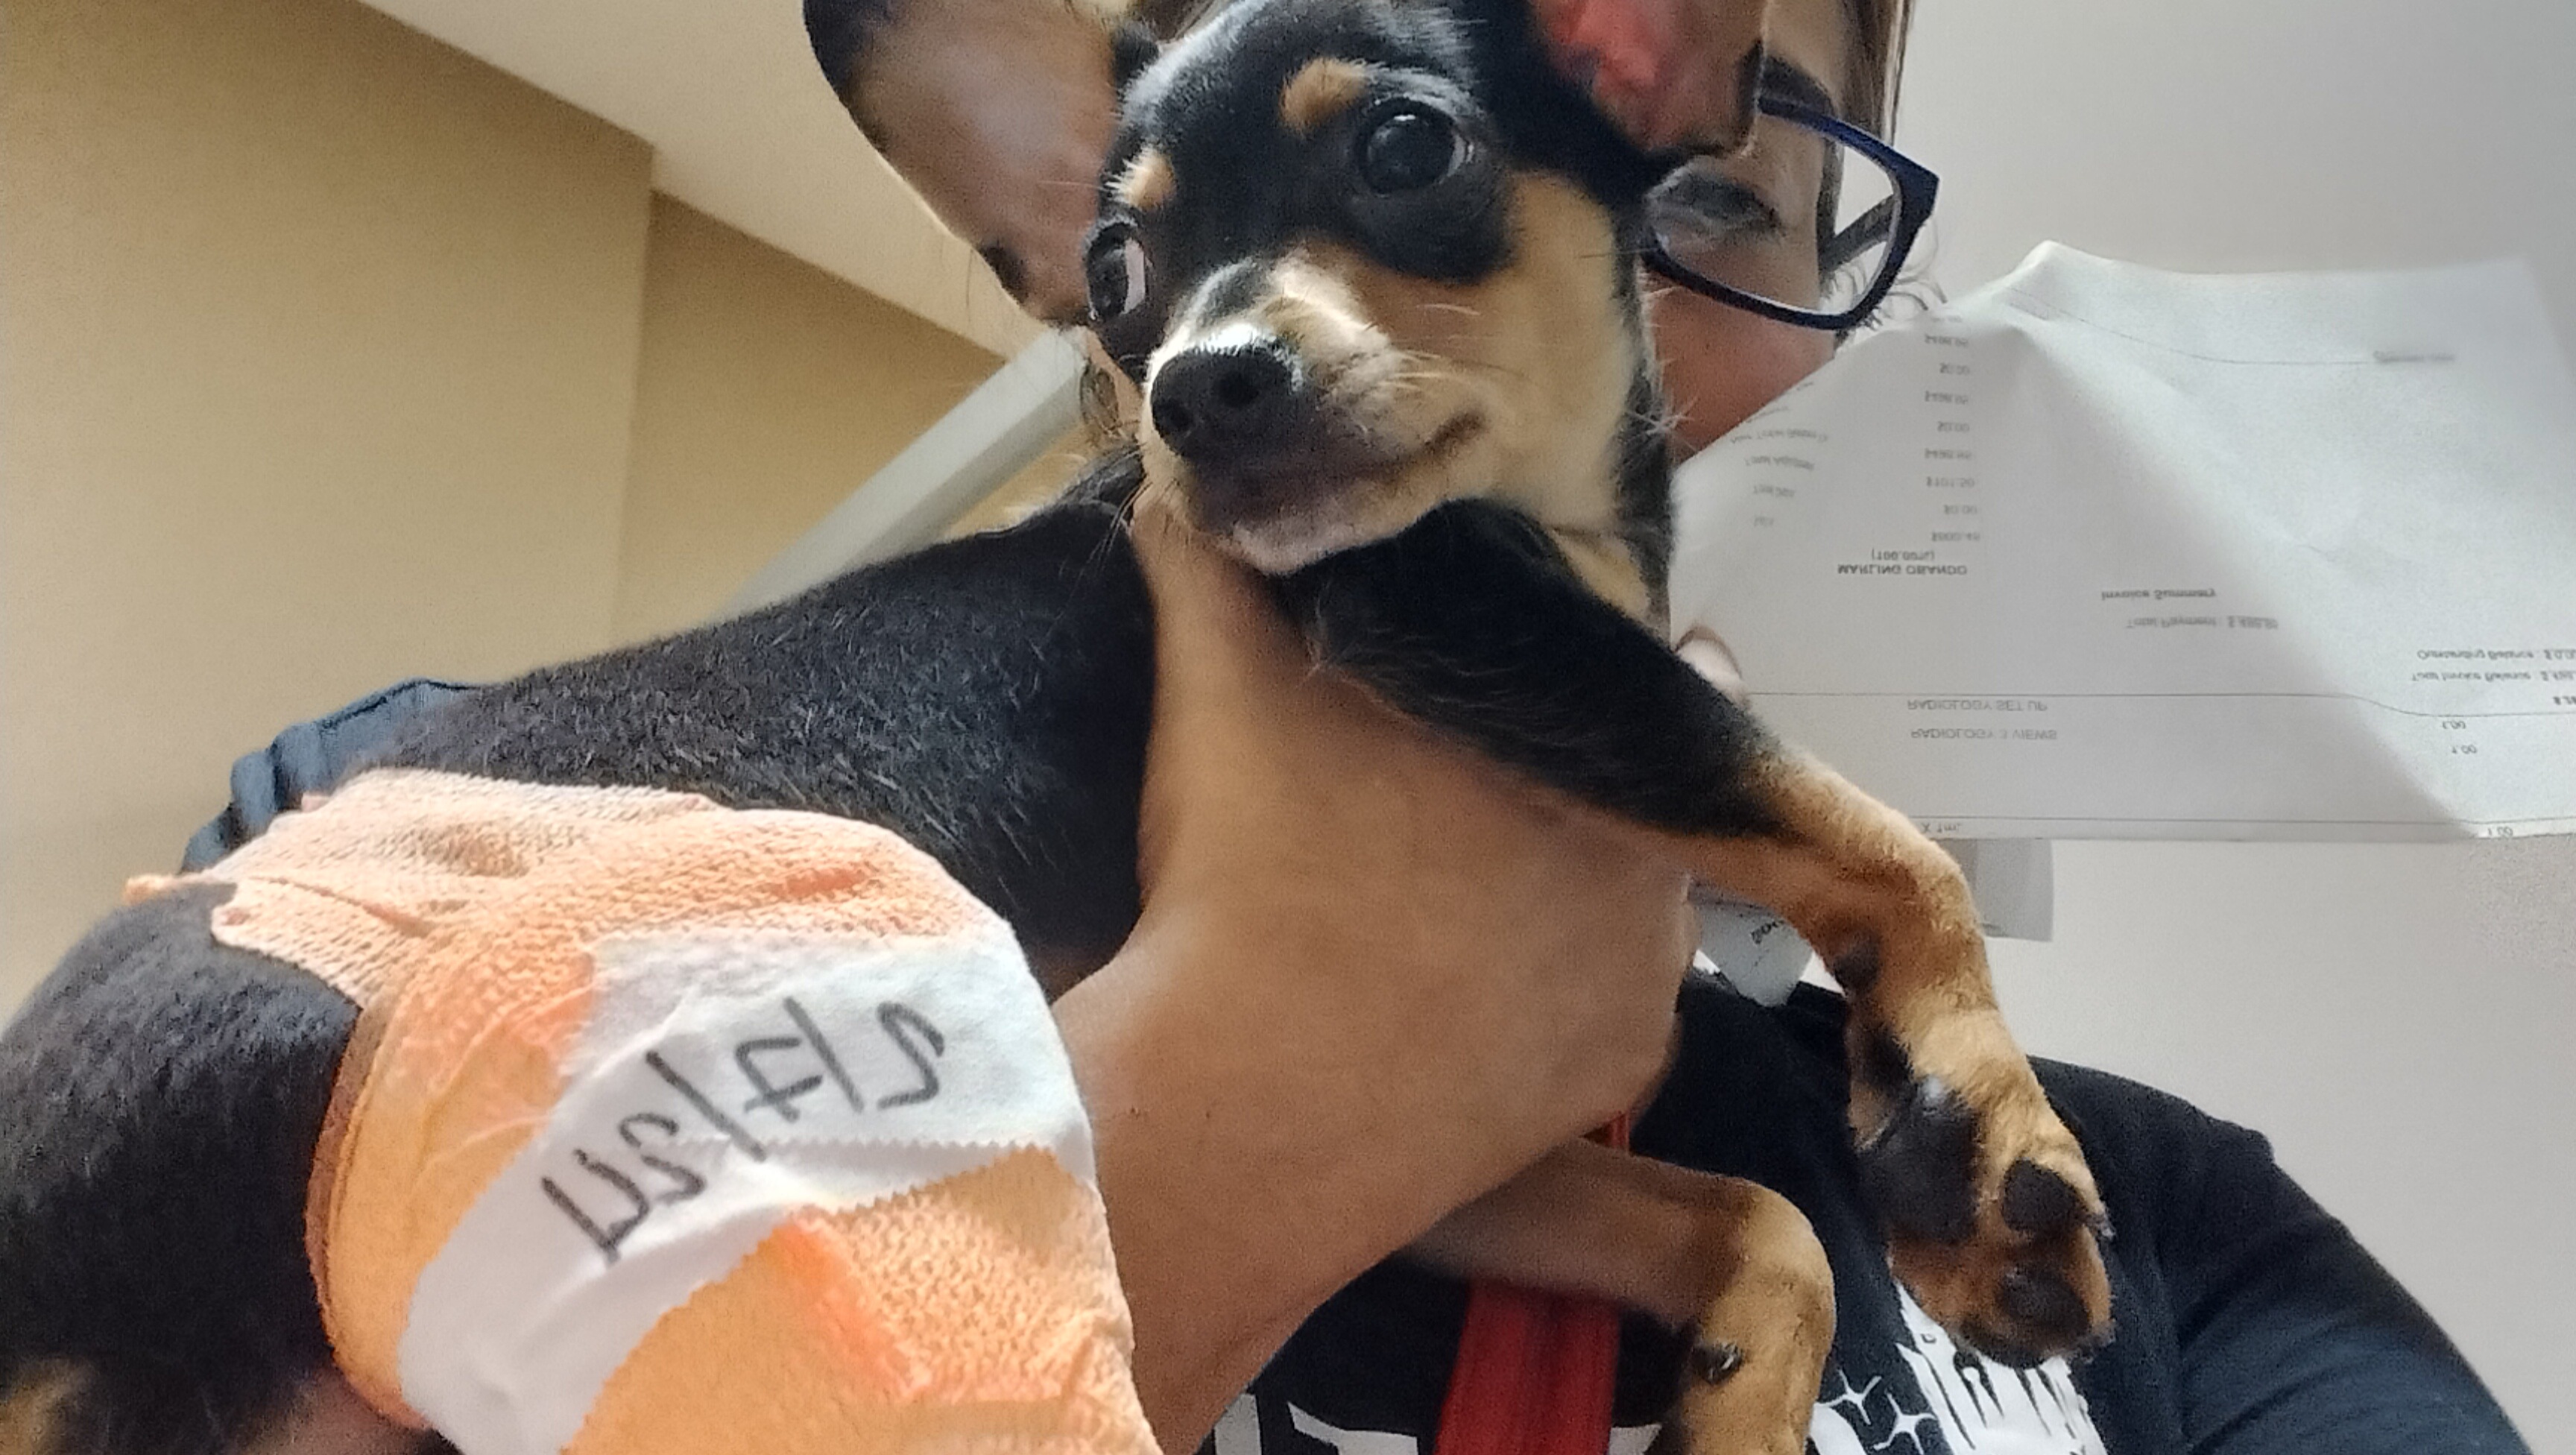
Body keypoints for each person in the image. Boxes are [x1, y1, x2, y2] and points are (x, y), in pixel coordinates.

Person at [177, 0, 2529, 1450]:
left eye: (1723, 196)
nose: (1625, 323)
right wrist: (1254, 1073)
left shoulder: (2172, 1237)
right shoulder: (408, 838)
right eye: (1156, 247)